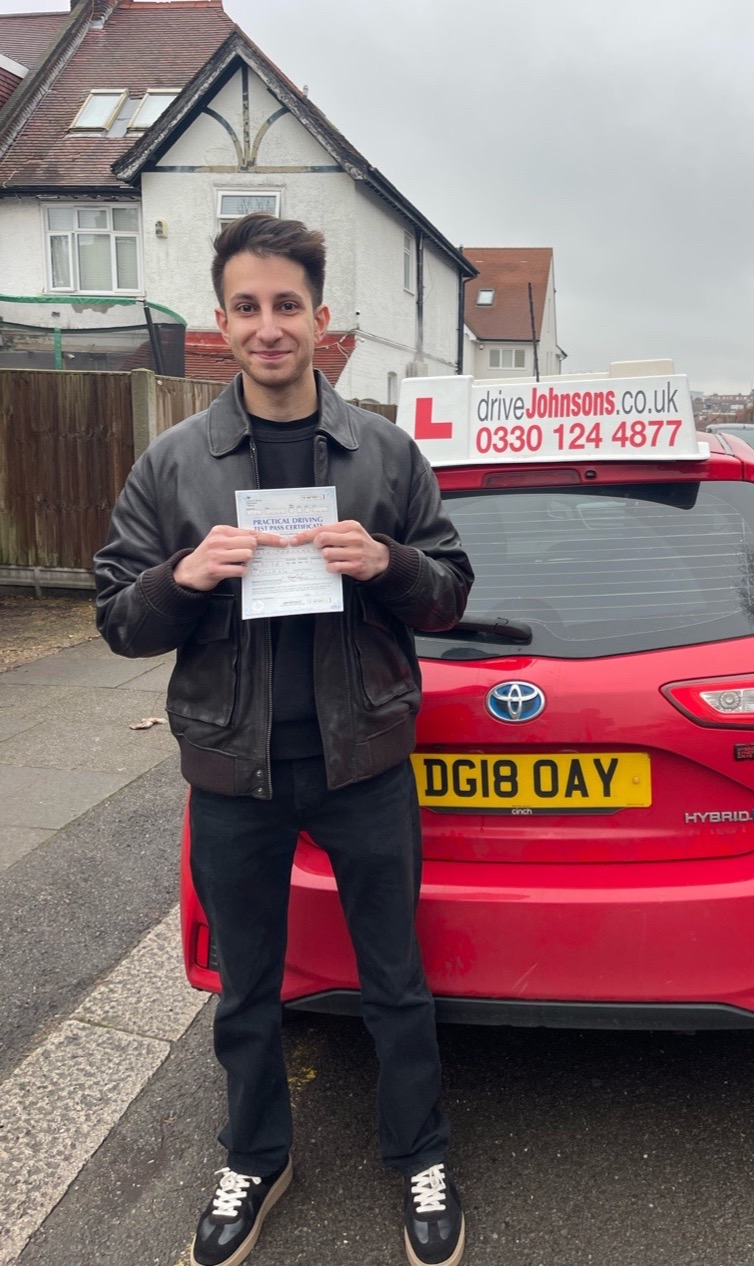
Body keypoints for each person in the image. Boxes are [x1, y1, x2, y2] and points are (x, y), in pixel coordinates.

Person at [94, 213, 473, 1266]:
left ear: (323, 321)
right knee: (246, 989)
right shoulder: (174, 465)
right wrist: (181, 576)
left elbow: (448, 595)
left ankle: (420, 1154)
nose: (269, 327)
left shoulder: (384, 455)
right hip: (232, 774)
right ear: (223, 322)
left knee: (395, 980)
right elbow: (118, 619)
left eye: (288, 306)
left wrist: (388, 561)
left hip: (364, 768)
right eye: (249, 307)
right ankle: (255, 1155)